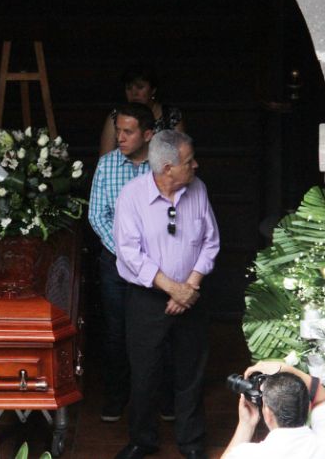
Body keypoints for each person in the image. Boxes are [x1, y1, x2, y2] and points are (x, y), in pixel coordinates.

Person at [113, 130, 220, 459]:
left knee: (191, 371)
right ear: (168, 168)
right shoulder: (132, 196)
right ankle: (141, 440)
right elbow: (129, 253)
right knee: (145, 373)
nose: (196, 165)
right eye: (189, 162)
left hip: (192, 294)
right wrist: (174, 289)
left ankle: (192, 442)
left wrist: (190, 287)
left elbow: (210, 241)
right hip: (147, 300)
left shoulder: (198, 190)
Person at [89, 102, 175, 422]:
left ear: (148, 134)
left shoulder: (166, 167)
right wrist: (127, 254)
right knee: (116, 332)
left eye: (128, 132)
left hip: (159, 266)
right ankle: (116, 396)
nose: (120, 137)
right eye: (118, 131)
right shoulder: (107, 165)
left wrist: (152, 256)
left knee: (160, 330)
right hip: (115, 264)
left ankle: (164, 398)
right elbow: (97, 215)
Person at [221, 361, 325, 459]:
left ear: (267, 413)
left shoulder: (248, 455)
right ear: (308, 408)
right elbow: (321, 398)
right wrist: (285, 368)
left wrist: (246, 425)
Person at [99, 64, 184, 157]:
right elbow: (105, 157)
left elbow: (182, 155)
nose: (134, 93)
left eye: (140, 87)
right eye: (129, 88)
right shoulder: (116, 116)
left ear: (153, 90)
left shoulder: (170, 116)